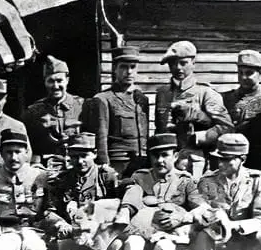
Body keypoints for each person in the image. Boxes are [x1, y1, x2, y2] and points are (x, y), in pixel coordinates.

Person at [111, 133, 206, 250]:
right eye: (155, 155)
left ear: (176, 156)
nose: (160, 160)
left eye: (165, 155)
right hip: (142, 230)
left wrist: (182, 217)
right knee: (132, 245)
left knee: (165, 249)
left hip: (170, 236)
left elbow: (201, 208)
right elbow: (128, 199)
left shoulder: (185, 181)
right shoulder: (139, 177)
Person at [46, 132, 118, 250]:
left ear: (94, 153)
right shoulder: (62, 179)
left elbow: (118, 204)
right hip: (73, 234)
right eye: (74, 156)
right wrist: (60, 223)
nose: (79, 161)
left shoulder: (106, 176)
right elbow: (49, 210)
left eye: (84, 156)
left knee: (118, 246)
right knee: (62, 246)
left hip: (102, 234)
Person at [155, 41, 233, 179]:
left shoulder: (206, 93)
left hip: (194, 162)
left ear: (193, 62)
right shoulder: (162, 93)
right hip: (166, 164)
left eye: (183, 63)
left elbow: (226, 127)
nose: (178, 68)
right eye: (173, 63)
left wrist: (199, 136)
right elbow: (160, 128)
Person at [83, 46, 149, 175]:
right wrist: (104, 166)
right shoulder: (103, 99)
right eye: (124, 67)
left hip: (141, 163)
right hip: (118, 164)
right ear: (115, 69)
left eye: (133, 67)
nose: (129, 72)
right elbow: (101, 137)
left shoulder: (142, 99)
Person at [23, 55, 85, 171]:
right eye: (50, 81)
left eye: (59, 81)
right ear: (45, 82)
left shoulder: (82, 106)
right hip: (46, 167)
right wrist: (35, 165)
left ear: (67, 80)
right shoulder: (34, 111)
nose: (55, 86)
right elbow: (30, 145)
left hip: (77, 166)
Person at [221, 50, 261, 171]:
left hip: (257, 163)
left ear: (260, 73)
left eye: (249, 73)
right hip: (227, 160)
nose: (243, 77)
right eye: (240, 73)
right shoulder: (225, 99)